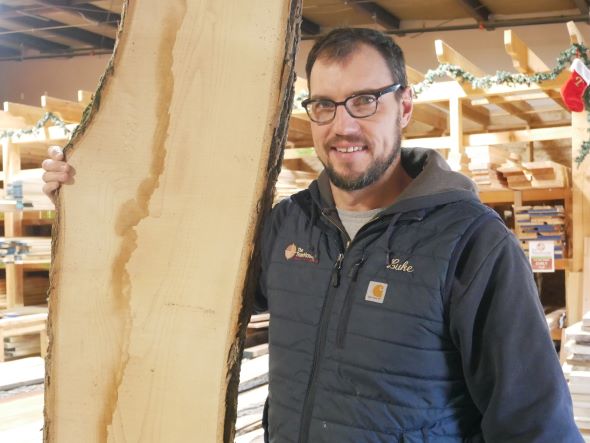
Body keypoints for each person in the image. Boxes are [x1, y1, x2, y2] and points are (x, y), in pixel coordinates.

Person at [43, 28, 581, 443]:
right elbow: (175, 278)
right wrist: (91, 203)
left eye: (365, 101)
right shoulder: (288, 224)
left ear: (405, 107)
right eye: (324, 105)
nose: (342, 126)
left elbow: (534, 423)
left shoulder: (472, 244)